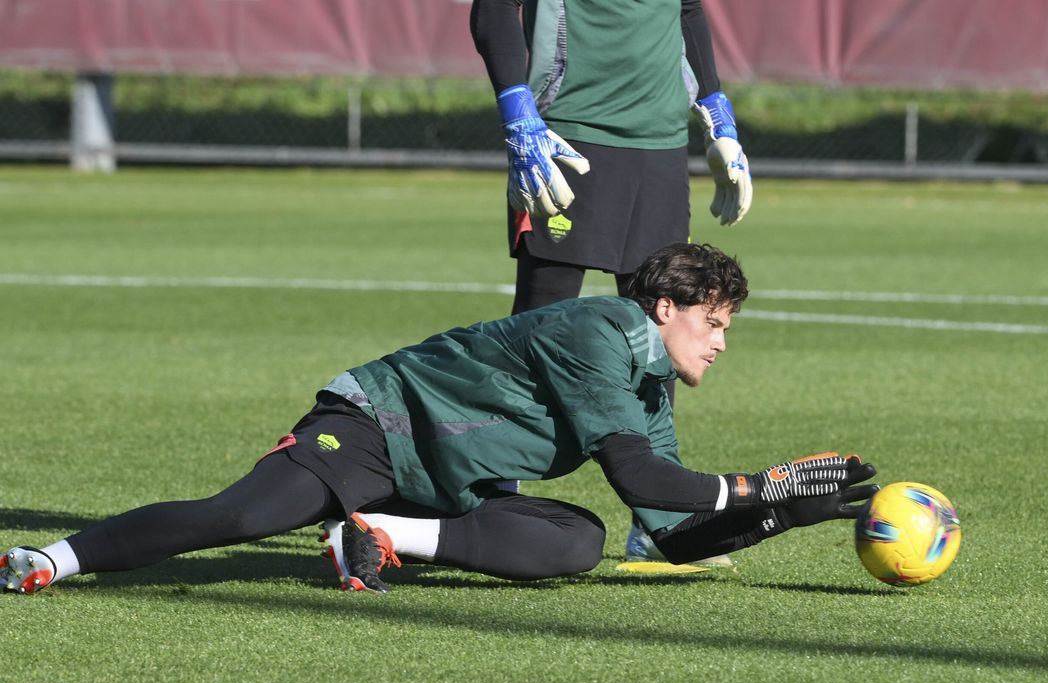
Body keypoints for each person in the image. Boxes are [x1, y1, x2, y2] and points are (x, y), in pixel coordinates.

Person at [2, 244, 876, 596]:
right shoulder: (601, 331)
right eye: (713, 321)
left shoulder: (650, 383)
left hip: (447, 485)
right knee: (241, 518)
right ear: (663, 306)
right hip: (377, 427)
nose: (721, 342)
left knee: (570, 543)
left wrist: (786, 512)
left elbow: (672, 526)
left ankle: (374, 536)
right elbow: (643, 480)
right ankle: (50, 559)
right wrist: (764, 481)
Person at [471, 0, 754, 564]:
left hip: (660, 144)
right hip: (565, 135)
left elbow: (690, 11)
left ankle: (660, 520)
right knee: (537, 321)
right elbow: (494, 9)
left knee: (661, 331)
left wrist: (715, 110)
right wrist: (518, 112)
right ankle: (486, 493)